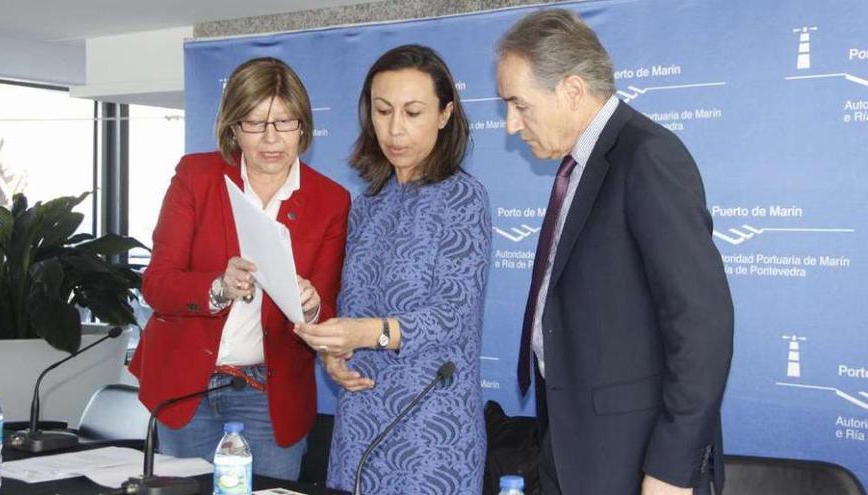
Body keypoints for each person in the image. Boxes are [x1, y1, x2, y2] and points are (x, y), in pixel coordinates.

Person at [496, 9, 734, 495]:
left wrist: (672, 469)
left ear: (572, 90)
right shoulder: (579, 165)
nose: (509, 124)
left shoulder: (646, 156)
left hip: (634, 459)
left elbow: (702, 324)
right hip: (573, 445)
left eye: (519, 104)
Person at [128, 57, 350, 480]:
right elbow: (156, 284)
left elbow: (326, 307)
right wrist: (217, 287)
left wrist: (311, 304)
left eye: (284, 123)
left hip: (269, 393)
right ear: (232, 128)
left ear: (303, 127)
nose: (271, 139)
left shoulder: (330, 200)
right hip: (186, 386)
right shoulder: (197, 177)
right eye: (254, 123)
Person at [294, 44, 490, 494]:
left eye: (413, 112)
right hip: (360, 418)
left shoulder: (465, 199)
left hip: (430, 430)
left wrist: (366, 334)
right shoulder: (367, 206)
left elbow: (452, 316)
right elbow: (354, 308)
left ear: (444, 114)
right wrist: (334, 353)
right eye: (382, 111)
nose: (395, 129)